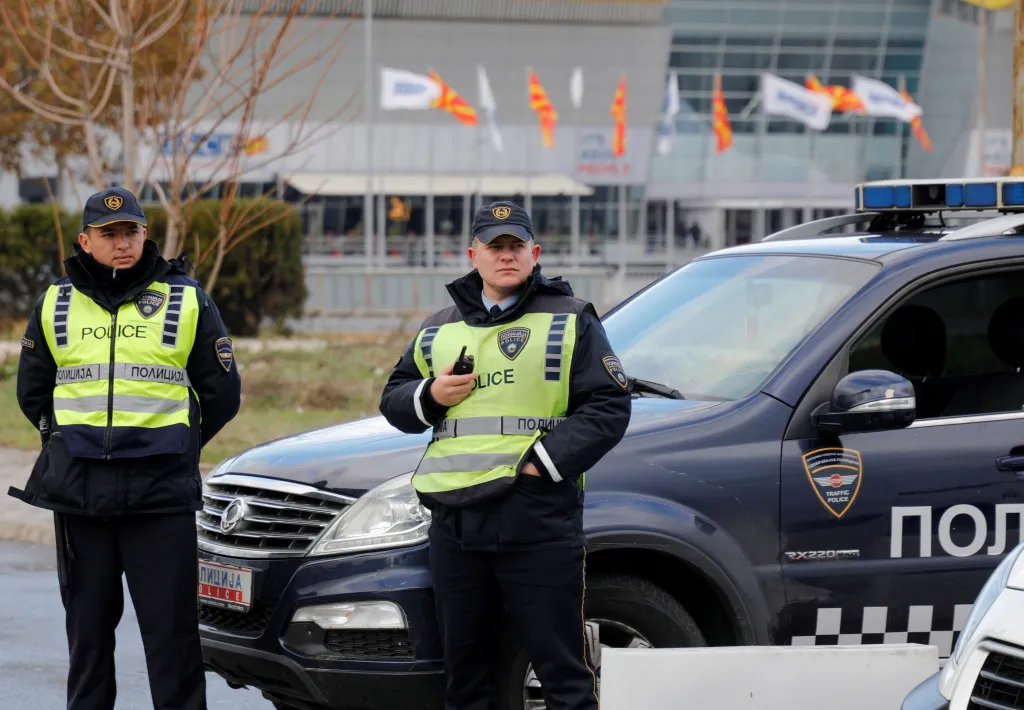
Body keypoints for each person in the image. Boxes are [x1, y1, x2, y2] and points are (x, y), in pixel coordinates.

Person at [379, 201, 632, 710]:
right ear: (473, 255)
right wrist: (430, 396)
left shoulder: (570, 318)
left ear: (534, 253)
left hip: (537, 523)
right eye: (495, 247)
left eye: (516, 246)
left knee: (563, 676)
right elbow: (393, 401)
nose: (506, 255)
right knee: (468, 681)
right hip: (457, 527)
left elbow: (609, 406)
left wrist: (543, 463)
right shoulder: (439, 328)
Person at [9, 186, 242, 710]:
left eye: (131, 232)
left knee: (174, 645)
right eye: (108, 234)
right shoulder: (56, 302)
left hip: (160, 499)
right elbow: (32, 393)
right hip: (81, 498)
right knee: (88, 644)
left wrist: (179, 445)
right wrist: (67, 445)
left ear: (145, 234)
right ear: (85, 241)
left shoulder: (186, 299)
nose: (122, 244)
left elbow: (222, 394)